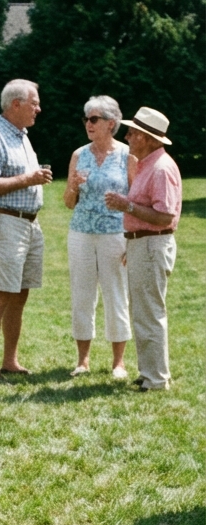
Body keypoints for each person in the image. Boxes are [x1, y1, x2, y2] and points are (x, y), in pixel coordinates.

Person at [0, 80, 52, 379]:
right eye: (34, 103)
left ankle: (10, 360)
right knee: (0, 294)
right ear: (16, 104)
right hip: (5, 224)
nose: (39, 109)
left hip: (29, 224)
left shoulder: (21, 137)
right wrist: (29, 179)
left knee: (20, 295)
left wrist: (32, 179)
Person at [104, 107, 182, 392]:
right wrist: (133, 242)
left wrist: (126, 206)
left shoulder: (160, 168)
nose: (127, 137)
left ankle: (156, 379)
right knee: (143, 310)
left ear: (148, 139)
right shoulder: (148, 164)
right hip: (143, 243)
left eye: (133, 133)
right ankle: (150, 371)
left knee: (149, 312)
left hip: (151, 243)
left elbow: (165, 216)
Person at [63, 96, 136, 379]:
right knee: (82, 295)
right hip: (81, 233)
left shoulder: (128, 156)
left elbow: (136, 200)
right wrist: (72, 186)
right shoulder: (78, 155)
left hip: (115, 234)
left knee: (116, 294)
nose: (88, 124)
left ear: (111, 123)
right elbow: (68, 203)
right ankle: (83, 361)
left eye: (94, 119)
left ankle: (119, 362)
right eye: (86, 119)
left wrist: (131, 239)